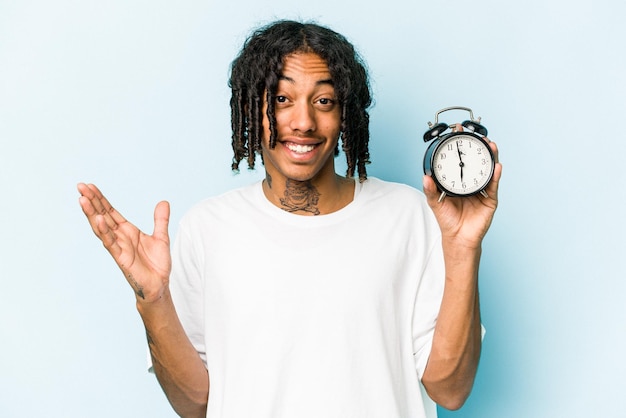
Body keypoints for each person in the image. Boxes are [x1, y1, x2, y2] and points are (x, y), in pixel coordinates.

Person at [78, 20, 501, 418]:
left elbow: (450, 390)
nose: (303, 122)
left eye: (324, 101)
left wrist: (464, 247)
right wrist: (153, 301)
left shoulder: (410, 216)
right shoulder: (208, 228)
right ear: (250, 109)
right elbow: (195, 404)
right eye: (281, 99)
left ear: (345, 115)